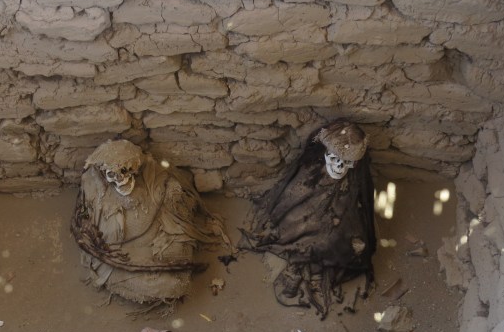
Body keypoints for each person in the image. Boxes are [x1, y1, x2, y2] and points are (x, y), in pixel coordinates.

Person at [71, 139, 229, 315]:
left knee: (178, 275)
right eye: (112, 174)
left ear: (136, 168)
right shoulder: (93, 186)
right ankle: (137, 282)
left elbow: (176, 201)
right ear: (102, 173)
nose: (120, 179)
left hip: (158, 240)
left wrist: (173, 196)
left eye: (124, 171)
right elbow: (86, 228)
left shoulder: (155, 177)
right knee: (162, 284)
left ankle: (157, 278)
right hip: (118, 255)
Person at [241, 120, 376, 318]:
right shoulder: (310, 174)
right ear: (325, 154)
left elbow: (352, 209)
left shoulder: (353, 183)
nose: (339, 167)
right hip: (306, 213)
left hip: (338, 213)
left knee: (336, 240)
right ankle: (301, 260)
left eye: (346, 162)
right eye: (335, 159)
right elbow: (291, 199)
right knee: (297, 225)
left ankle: (311, 263)